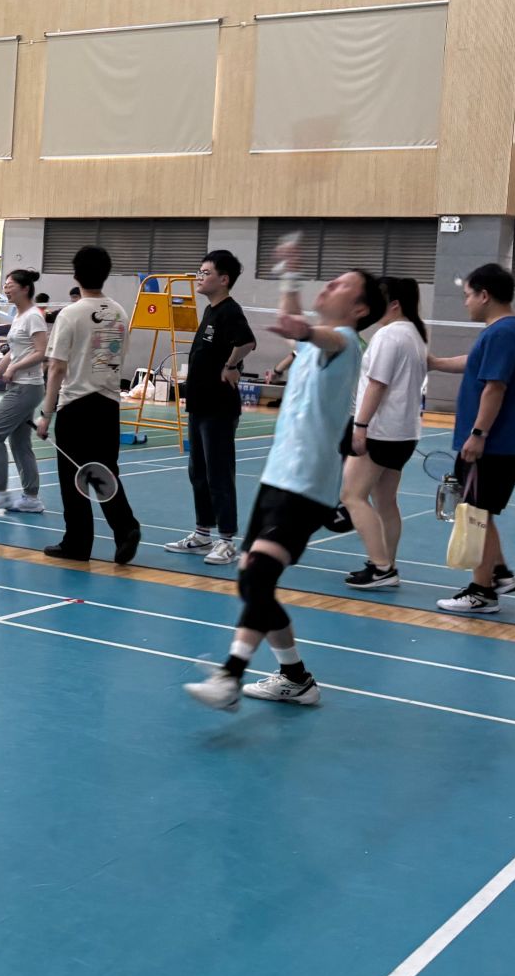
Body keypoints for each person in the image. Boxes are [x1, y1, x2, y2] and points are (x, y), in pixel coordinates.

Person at [184, 241, 386, 711]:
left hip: (307, 488)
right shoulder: (313, 344)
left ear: (359, 309)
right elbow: (296, 321)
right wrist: (288, 276)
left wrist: (306, 329)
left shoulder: (345, 344)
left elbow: (323, 336)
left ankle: (231, 676)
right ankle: (295, 677)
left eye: (341, 284)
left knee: (257, 579)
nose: (329, 285)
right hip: (278, 479)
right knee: (250, 583)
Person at [428, 262, 515, 614]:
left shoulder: (502, 333)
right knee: (481, 511)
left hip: (494, 444)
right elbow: (475, 362)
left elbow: (495, 387)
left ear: (484, 296)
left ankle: (482, 592)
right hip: (499, 443)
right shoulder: (501, 331)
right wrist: (436, 363)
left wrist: (478, 434)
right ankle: (499, 573)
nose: (465, 302)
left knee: (475, 513)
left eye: (468, 295)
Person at [37, 245, 142, 564]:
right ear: (106, 274)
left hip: (77, 405)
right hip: (108, 404)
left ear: (76, 274)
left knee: (74, 476)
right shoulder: (120, 312)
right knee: (105, 471)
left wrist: (46, 413)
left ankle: (77, 543)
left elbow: (57, 367)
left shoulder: (71, 314)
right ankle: (125, 527)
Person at [165, 249, 258, 564]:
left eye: (205, 272)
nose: (199, 277)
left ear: (224, 279)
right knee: (199, 473)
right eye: (199, 271)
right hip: (200, 405)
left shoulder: (230, 311)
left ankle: (227, 541)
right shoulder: (210, 310)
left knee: (219, 473)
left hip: (219, 407)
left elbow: (247, 342)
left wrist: (231, 365)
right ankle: (202, 534)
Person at [340, 275, 429, 590]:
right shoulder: (414, 334)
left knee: (351, 496)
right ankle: (386, 564)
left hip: (381, 431)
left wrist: (360, 426)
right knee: (386, 501)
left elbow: (377, 384)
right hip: (404, 433)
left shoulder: (389, 335)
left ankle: (381, 568)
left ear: (394, 304)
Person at [0, 268, 49, 514]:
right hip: (20, 386)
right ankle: (31, 498)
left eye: (10, 285)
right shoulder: (19, 316)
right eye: (5, 285)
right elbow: (11, 354)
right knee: (19, 443)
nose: (6, 289)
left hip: (27, 387)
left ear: (25, 289)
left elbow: (41, 352)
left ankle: (0, 493)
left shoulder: (34, 316)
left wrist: (15, 367)